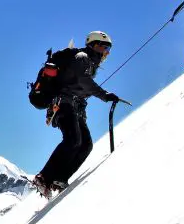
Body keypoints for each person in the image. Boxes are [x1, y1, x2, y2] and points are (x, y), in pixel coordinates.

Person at [32, 31, 120, 198]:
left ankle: (59, 179)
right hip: (62, 103)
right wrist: (104, 94)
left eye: (109, 48)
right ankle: (44, 177)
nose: (107, 52)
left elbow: (80, 87)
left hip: (75, 107)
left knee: (86, 144)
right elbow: (83, 81)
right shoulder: (81, 57)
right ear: (94, 45)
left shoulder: (89, 63)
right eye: (104, 47)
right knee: (73, 139)